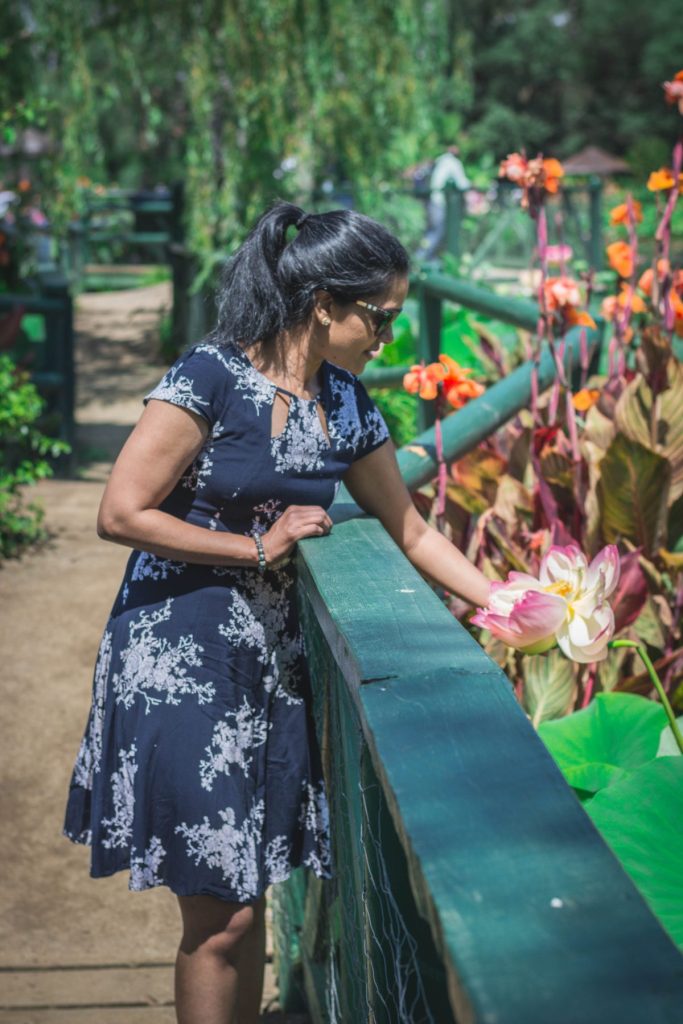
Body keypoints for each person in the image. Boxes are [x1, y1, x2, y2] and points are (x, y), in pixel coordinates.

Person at [63, 201, 491, 1024]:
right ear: (324, 301)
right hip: (180, 659)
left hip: (273, 665)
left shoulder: (348, 401)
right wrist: (257, 549)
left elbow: (407, 527)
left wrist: (503, 600)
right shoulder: (209, 376)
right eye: (381, 316)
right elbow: (120, 512)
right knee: (222, 915)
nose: (388, 337)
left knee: (249, 892)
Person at [419, 144, 471, 261]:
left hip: (431, 200)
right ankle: (419, 259)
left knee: (432, 231)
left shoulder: (440, 160)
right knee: (437, 232)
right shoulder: (453, 163)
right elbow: (462, 183)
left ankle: (429, 259)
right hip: (438, 201)